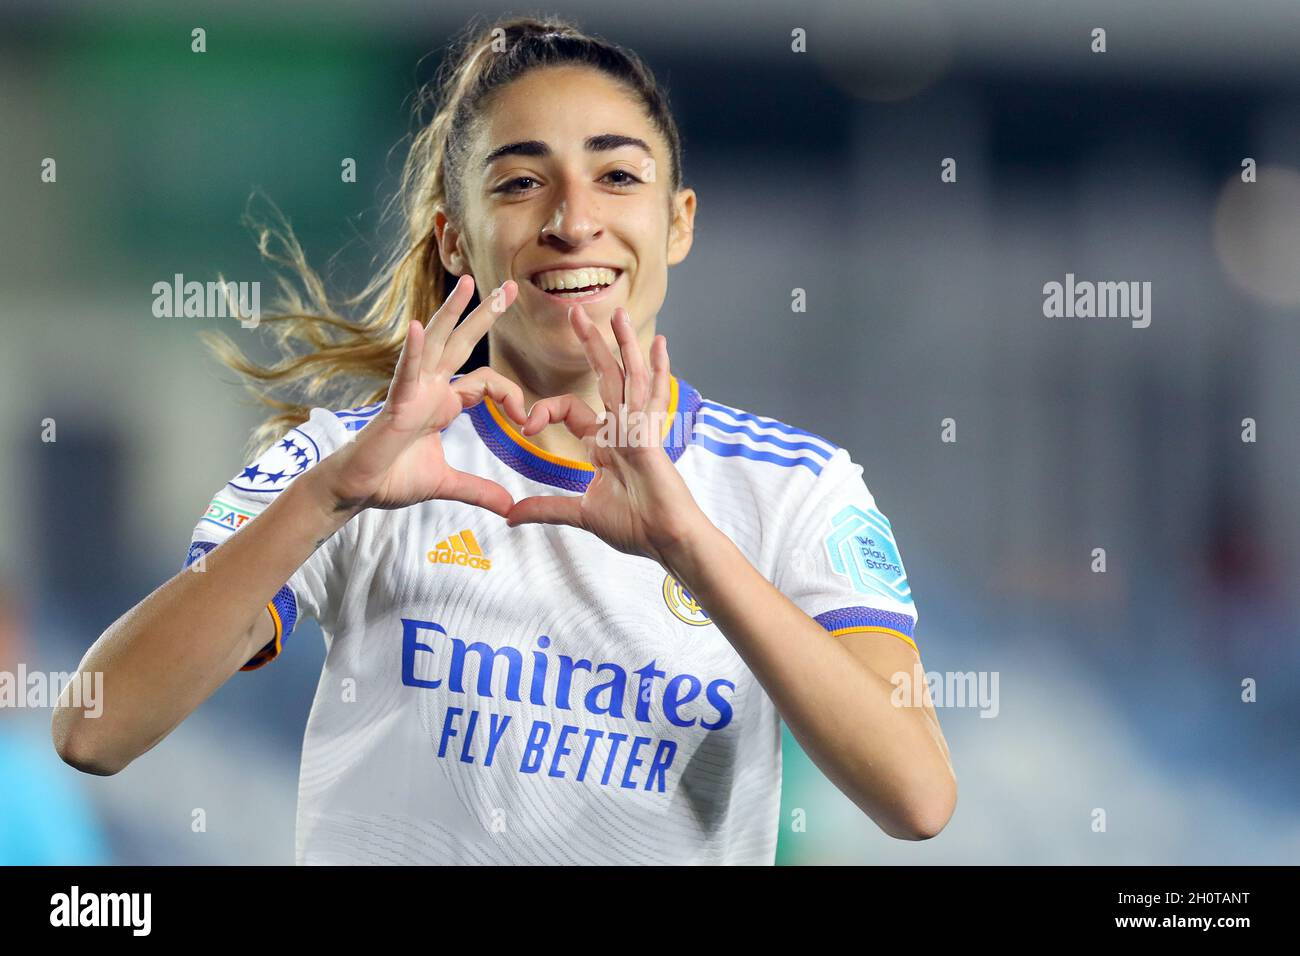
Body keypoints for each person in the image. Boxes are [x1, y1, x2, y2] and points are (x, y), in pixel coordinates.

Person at [53, 15, 955, 864]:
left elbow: (917, 799)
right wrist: (327, 498)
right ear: (454, 240)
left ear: (678, 221)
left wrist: (689, 544)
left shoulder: (795, 489)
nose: (571, 221)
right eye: (521, 182)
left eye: (617, 176)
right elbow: (95, 730)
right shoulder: (357, 462)